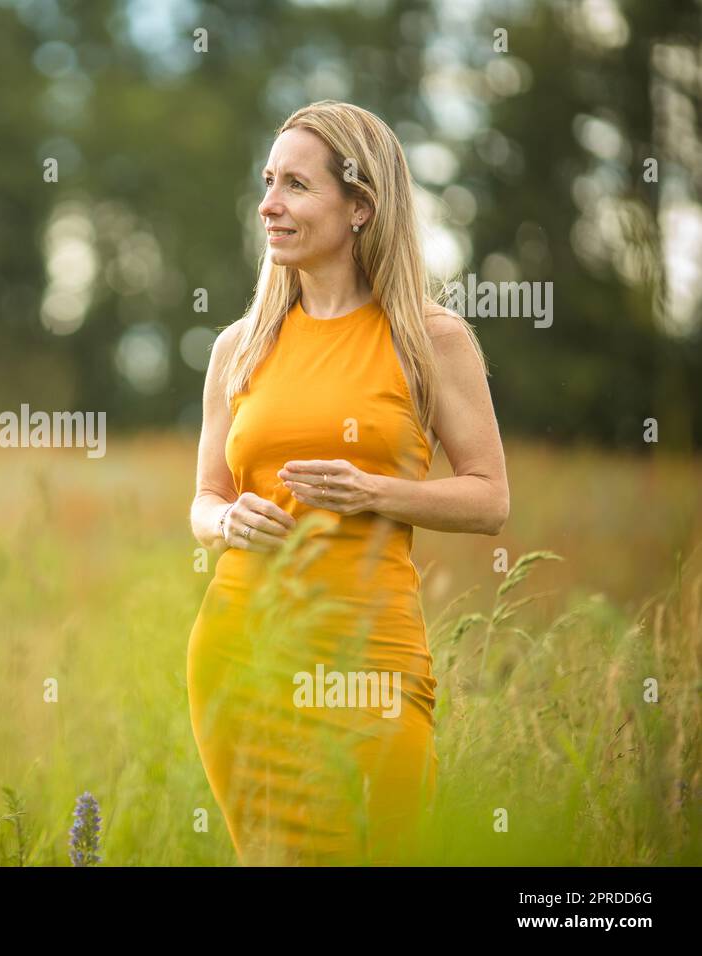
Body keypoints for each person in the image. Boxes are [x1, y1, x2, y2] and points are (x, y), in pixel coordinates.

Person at [187, 100, 509, 865]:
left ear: (360, 206)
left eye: (295, 185)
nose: (269, 204)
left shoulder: (430, 339)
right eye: (268, 182)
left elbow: (490, 498)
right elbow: (204, 497)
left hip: (374, 658)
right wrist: (225, 523)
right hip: (243, 652)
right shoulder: (239, 346)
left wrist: (374, 492)